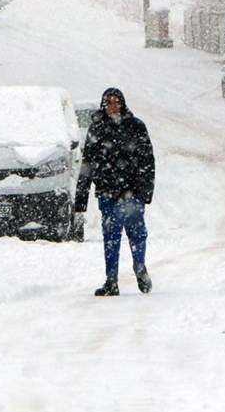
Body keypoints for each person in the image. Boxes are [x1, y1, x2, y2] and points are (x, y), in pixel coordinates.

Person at [74, 87, 155, 296]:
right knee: (111, 237)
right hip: (107, 192)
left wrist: (146, 190)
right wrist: (81, 197)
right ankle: (111, 280)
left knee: (137, 233)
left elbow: (147, 160)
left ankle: (139, 266)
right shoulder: (97, 129)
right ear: (103, 105)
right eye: (108, 102)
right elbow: (88, 163)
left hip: (132, 192)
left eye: (116, 102)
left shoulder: (136, 127)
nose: (112, 106)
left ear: (122, 104)